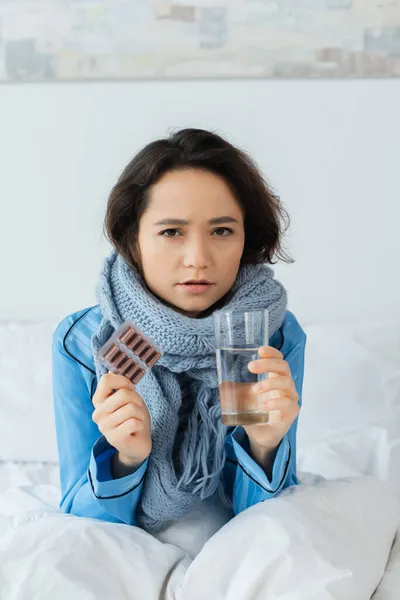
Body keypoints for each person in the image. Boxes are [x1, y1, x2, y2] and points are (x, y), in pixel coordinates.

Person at [52, 128, 306, 534]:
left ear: (246, 237)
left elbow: (270, 519)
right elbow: (79, 516)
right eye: (171, 232)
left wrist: (266, 444)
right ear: (133, 238)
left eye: (222, 231)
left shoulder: (271, 332)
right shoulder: (84, 340)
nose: (198, 259)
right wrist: (125, 458)